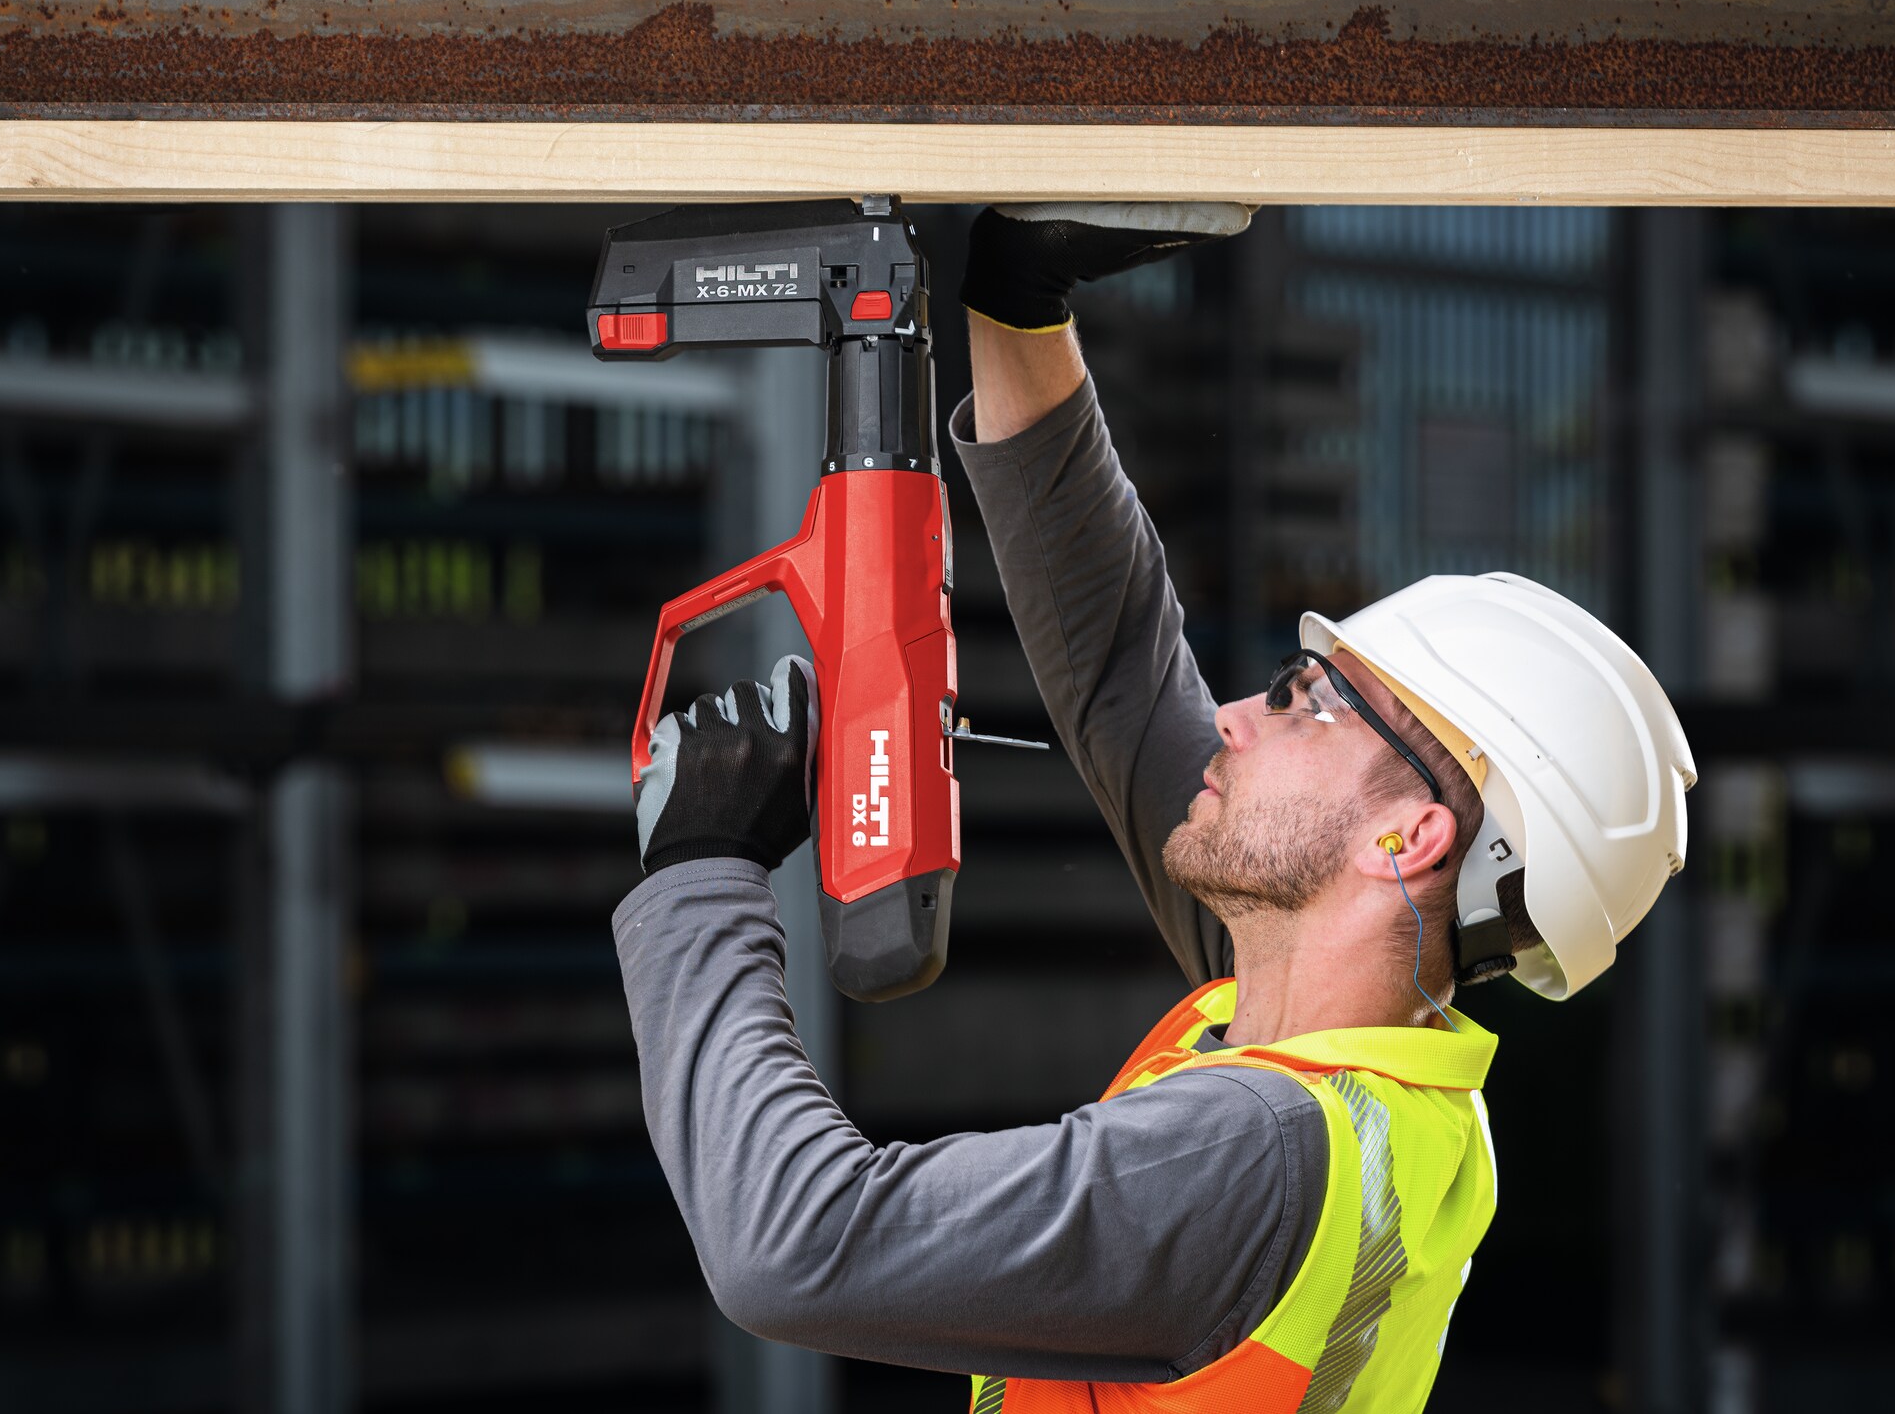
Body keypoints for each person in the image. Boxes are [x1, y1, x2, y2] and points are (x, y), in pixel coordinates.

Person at [613, 203, 1697, 1412]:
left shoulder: (1254, 1156)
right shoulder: (1370, 1083)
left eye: (1307, 701)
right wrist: (1018, 306)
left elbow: (791, 1244)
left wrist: (701, 868)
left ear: (1410, 836)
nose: (1233, 715)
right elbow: (1125, 667)